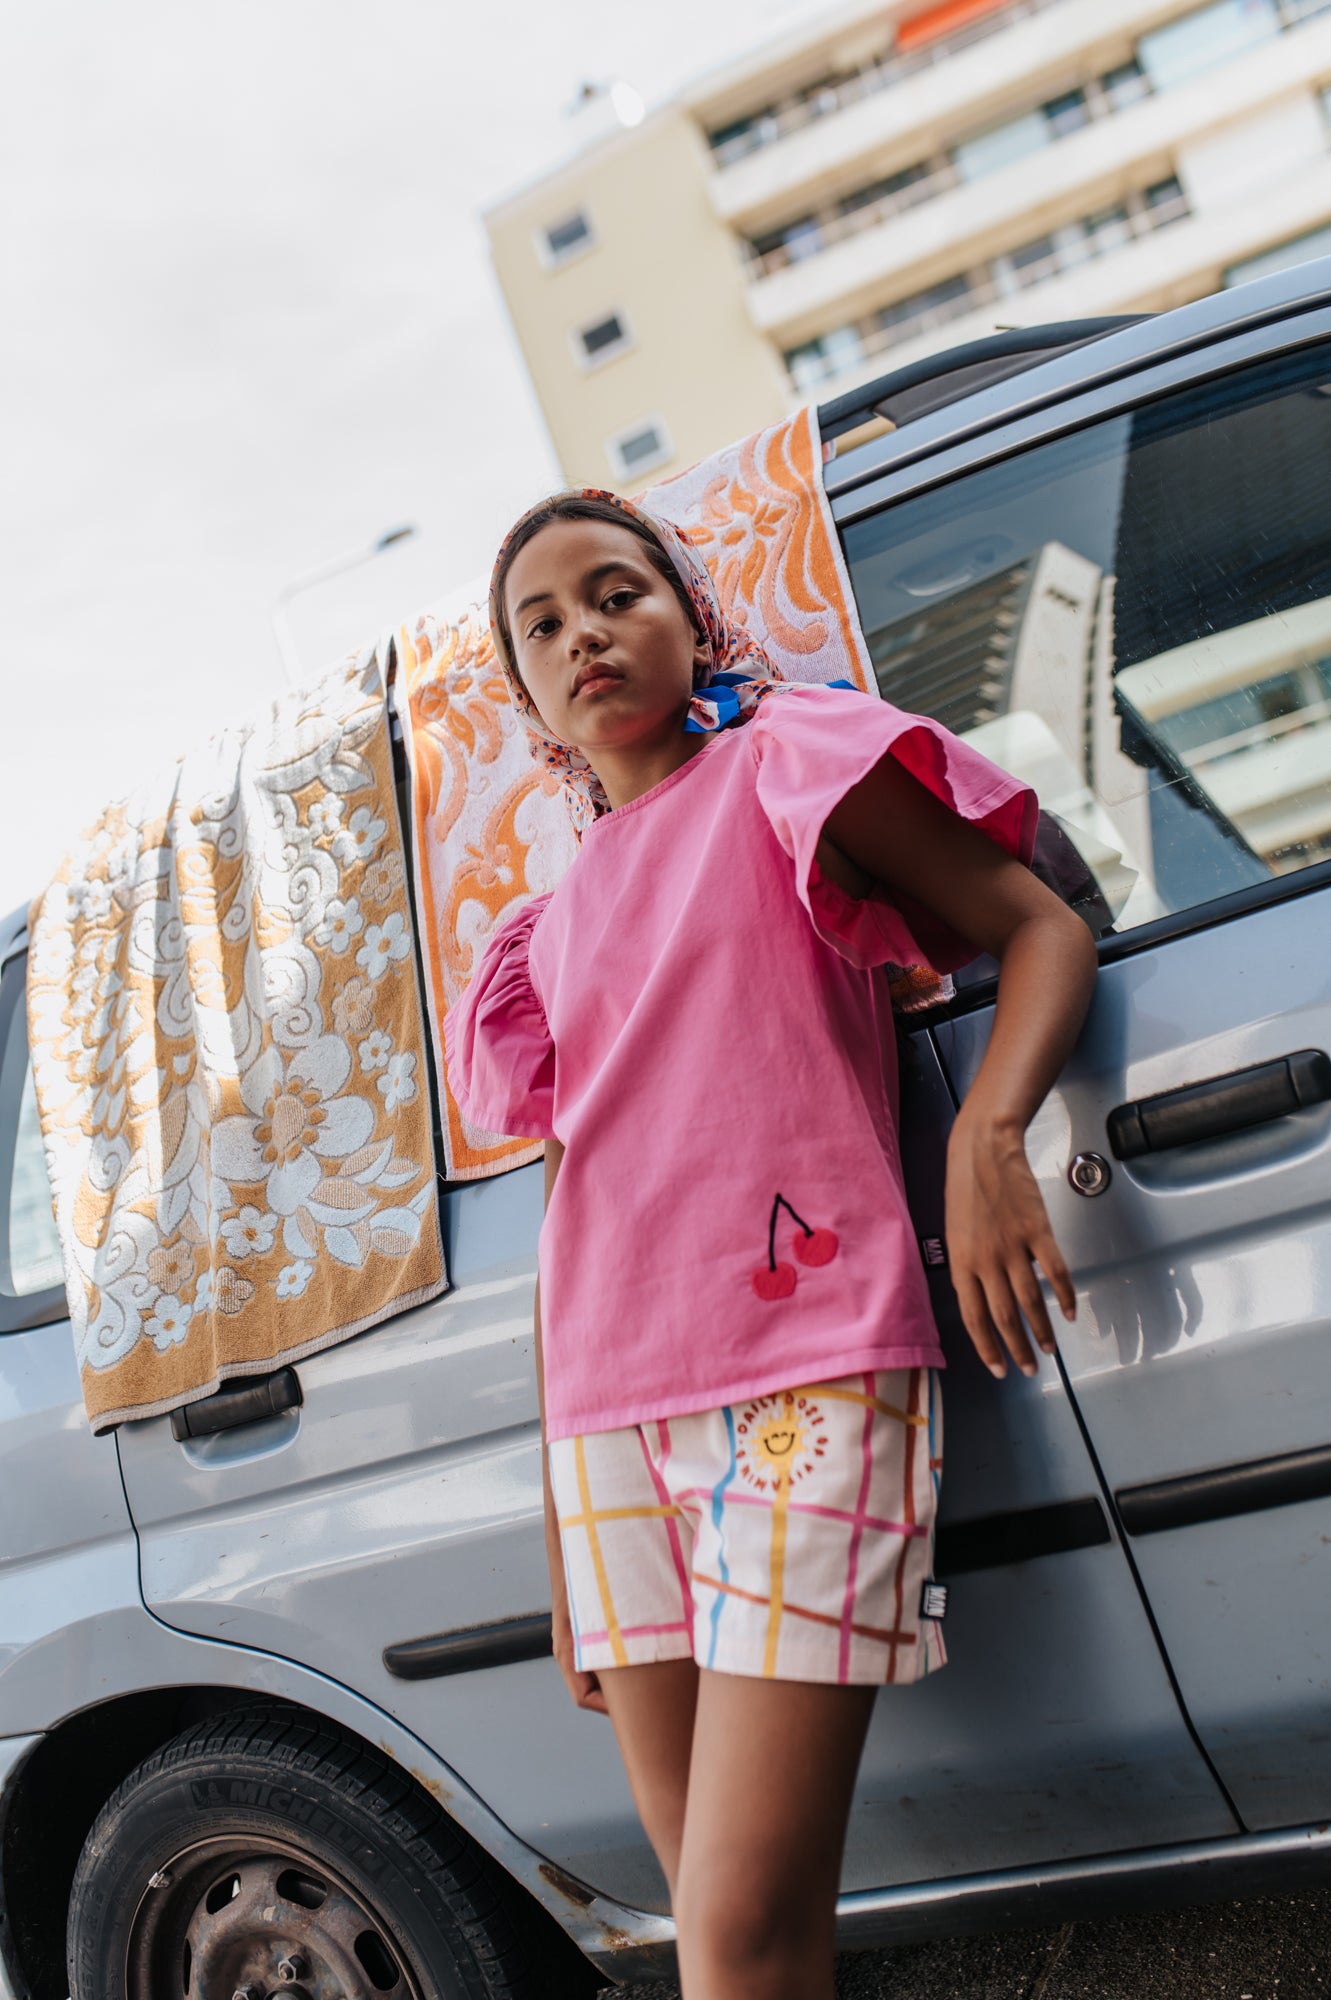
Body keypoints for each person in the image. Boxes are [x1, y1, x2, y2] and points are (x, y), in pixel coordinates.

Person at [444, 489, 1098, 2000]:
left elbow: (1039, 925)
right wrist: (564, 1535)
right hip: (614, 1429)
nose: (583, 634)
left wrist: (988, 1137)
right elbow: (574, 1208)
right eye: (541, 626)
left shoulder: (786, 774)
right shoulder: (538, 939)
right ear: (530, 694)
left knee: (741, 1937)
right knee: (720, 1943)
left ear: (692, 618)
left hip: (807, 1371)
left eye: (615, 593)